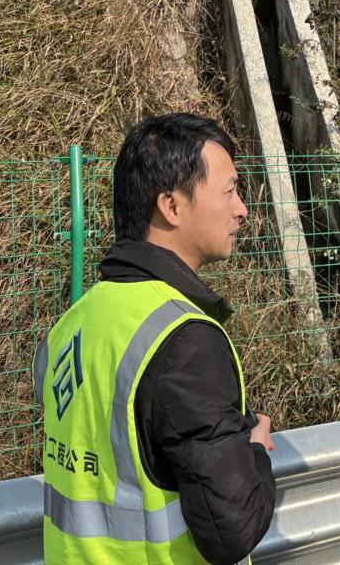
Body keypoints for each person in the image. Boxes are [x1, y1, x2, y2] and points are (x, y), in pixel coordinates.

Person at [34, 113, 276, 564]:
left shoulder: (71, 324)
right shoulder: (185, 340)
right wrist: (255, 453)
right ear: (171, 206)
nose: (242, 209)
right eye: (229, 191)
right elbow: (231, 530)